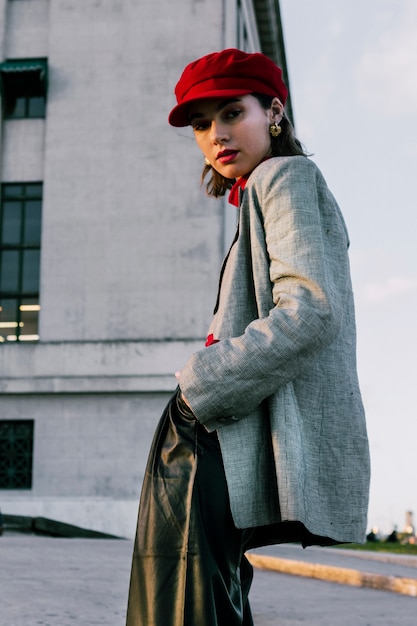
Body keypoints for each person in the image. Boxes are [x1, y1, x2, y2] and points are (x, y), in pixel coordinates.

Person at [126, 48, 370, 626]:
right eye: (202, 124)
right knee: (207, 591)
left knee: (180, 594)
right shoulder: (262, 191)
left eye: (233, 112)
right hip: (225, 419)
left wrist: (199, 383)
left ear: (274, 112)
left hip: (214, 418)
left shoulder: (286, 176)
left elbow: (310, 311)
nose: (217, 134)